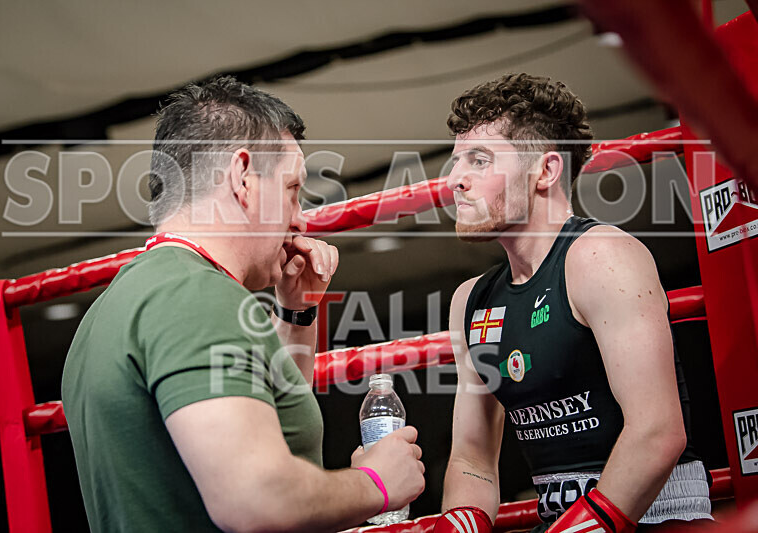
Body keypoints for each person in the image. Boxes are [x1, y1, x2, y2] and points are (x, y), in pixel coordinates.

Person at [62, 76, 424, 533]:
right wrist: (376, 482)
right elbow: (256, 500)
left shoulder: (114, 307)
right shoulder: (195, 296)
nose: (299, 217)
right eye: (293, 189)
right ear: (242, 177)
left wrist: (296, 313)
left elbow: (263, 414)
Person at [433, 74, 713, 533]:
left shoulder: (601, 257)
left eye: (479, 161)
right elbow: (473, 458)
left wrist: (582, 525)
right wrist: (461, 523)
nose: (455, 180)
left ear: (545, 171)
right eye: (456, 161)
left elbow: (658, 432)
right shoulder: (472, 300)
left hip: (660, 517)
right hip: (565, 519)